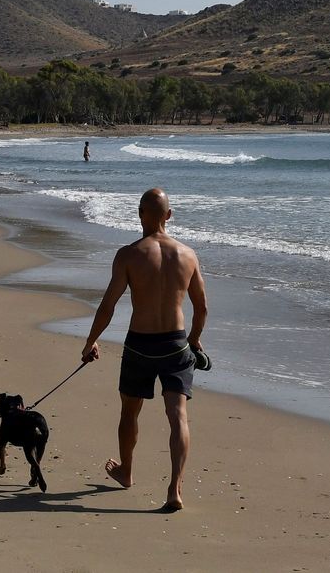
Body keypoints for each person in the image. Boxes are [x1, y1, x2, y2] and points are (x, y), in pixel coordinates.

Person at [81, 188, 208, 512]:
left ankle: (126, 471)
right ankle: (174, 489)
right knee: (178, 416)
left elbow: (108, 305)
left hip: (140, 344)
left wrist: (90, 341)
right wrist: (193, 340)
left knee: (129, 411)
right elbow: (202, 309)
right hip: (175, 345)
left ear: (140, 214)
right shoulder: (188, 255)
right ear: (169, 215)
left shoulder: (128, 255)